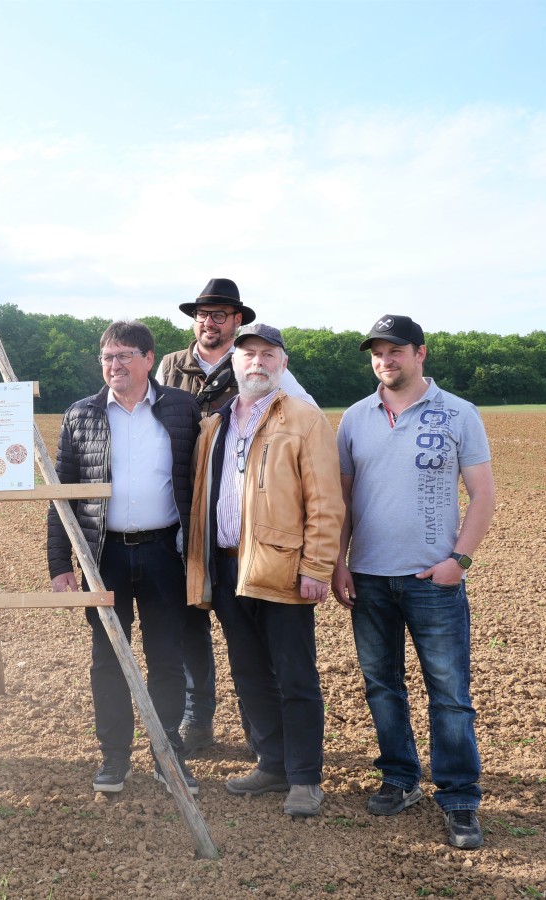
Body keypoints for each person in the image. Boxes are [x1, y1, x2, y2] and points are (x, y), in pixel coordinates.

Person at [333, 314, 496, 850]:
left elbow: (483, 495)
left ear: (419, 353)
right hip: (370, 579)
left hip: (434, 581)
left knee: (449, 694)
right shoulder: (354, 419)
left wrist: (460, 560)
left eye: (396, 350)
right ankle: (400, 779)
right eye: (377, 352)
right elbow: (343, 503)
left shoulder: (458, 413)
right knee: (383, 687)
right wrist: (338, 562)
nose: (386, 360)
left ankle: (459, 799)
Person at [185, 324, 344, 817]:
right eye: (247, 353)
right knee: (250, 671)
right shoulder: (214, 426)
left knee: (295, 675)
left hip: (284, 570)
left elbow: (324, 499)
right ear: (233, 363)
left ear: (283, 365)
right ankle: (272, 763)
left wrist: (317, 565)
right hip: (229, 569)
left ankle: (304, 778)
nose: (257, 361)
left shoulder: (304, 419)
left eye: (268, 354)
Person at [158, 277, 316, 758]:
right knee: (192, 622)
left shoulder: (257, 363)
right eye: (203, 314)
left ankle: (260, 734)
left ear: (237, 321)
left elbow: (302, 415)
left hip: (246, 510)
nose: (210, 322)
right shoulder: (169, 366)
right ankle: (197, 719)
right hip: (185, 504)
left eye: (221, 314)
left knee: (253, 637)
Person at [48, 321, 201, 795]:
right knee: (108, 659)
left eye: (124, 356)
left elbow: (198, 480)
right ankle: (114, 757)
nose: (114, 365)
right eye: (107, 357)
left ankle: (166, 749)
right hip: (104, 555)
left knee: (167, 657)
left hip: (165, 554)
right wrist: (59, 564)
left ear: (149, 359)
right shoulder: (82, 415)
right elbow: (61, 495)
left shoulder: (182, 409)